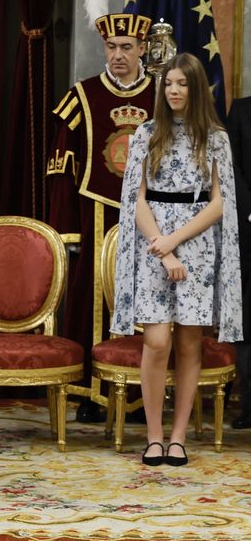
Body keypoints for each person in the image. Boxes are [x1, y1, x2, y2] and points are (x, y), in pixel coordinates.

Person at [111, 53, 242, 466]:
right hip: (153, 246)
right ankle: (154, 437)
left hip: (197, 247)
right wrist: (162, 247)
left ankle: (178, 438)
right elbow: (136, 199)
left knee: (188, 344)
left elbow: (219, 203)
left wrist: (175, 242)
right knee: (156, 342)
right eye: (168, 83)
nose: (174, 90)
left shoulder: (215, 137)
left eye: (182, 83)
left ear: (196, 88)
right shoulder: (147, 133)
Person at [46, 13, 156, 422]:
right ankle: (93, 395)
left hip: (153, 215)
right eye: (112, 47)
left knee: (148, 299)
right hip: (95, 212)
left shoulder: (163, 94)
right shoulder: (83, 95)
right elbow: (61, 166)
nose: (118, 55)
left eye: (127, 47)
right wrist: (66, 229)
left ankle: (144, 396)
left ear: (142, 49)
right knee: (94, 299)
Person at [226, 96, 251, 429]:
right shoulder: (242, 111)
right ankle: (250, 406)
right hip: (248, 230)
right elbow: (231, 169)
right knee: (249, 323)